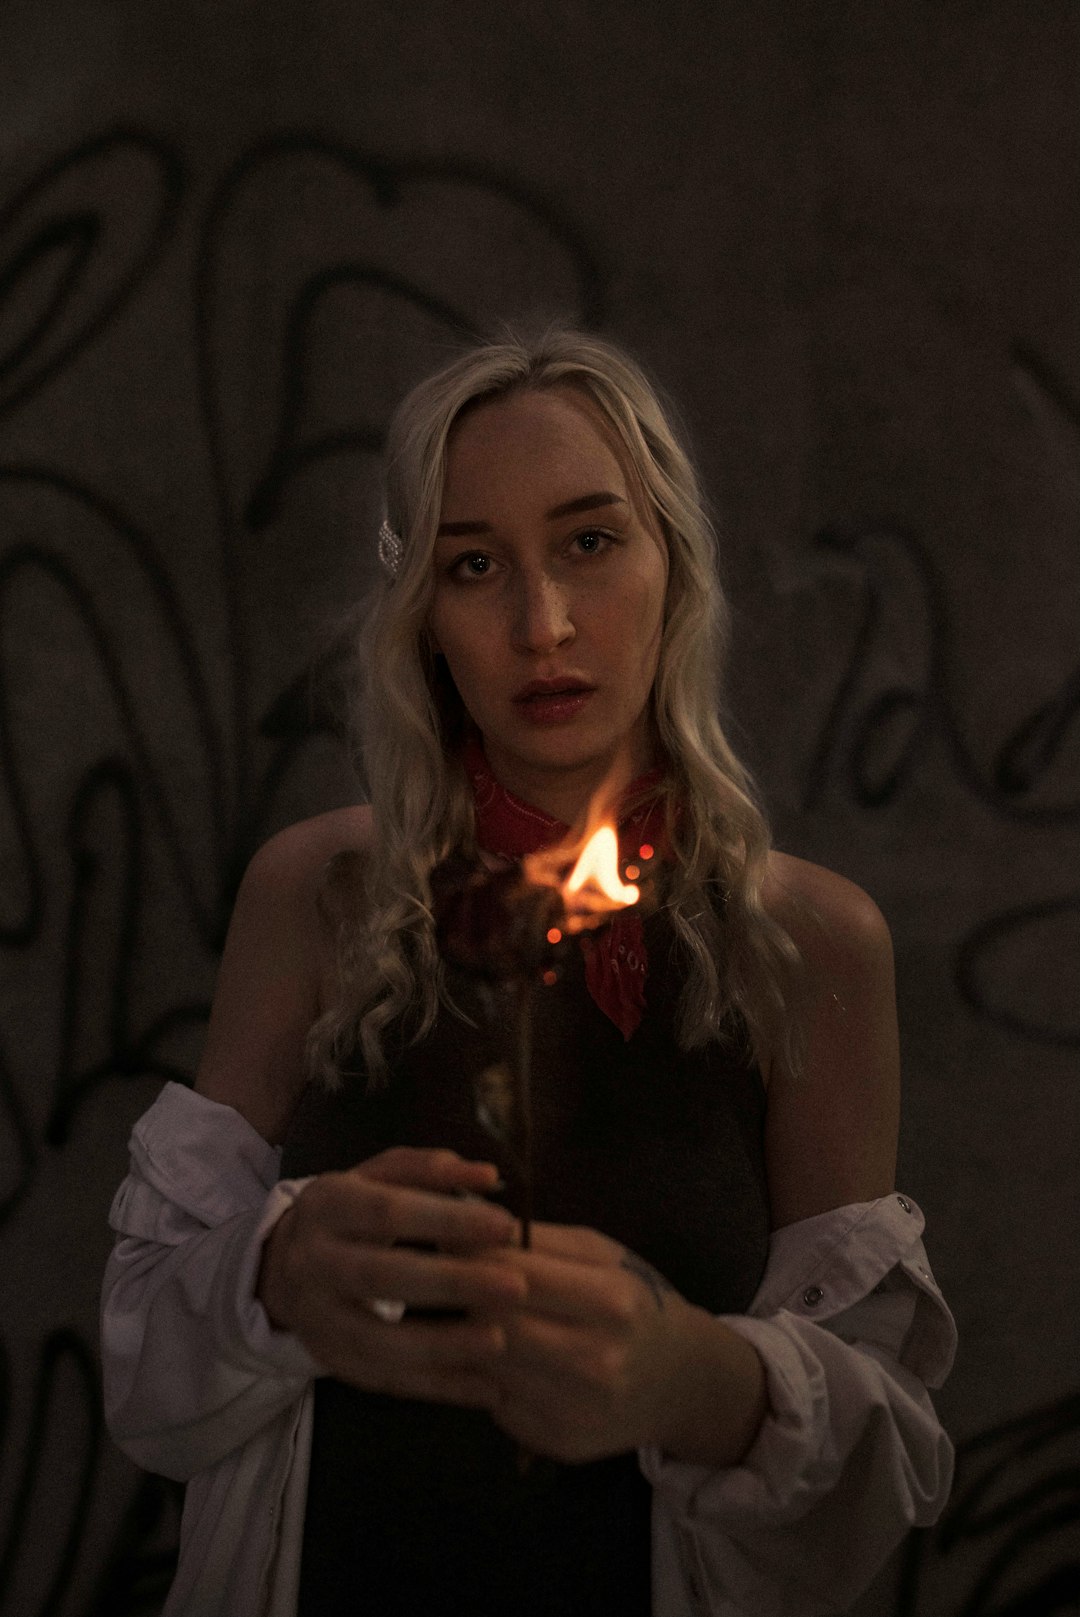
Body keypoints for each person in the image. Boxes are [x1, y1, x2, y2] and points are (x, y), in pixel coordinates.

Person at [101, 327, 957, 1617]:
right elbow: (142, 1376)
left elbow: (875, 1481)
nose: (542, 623)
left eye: (592, 543)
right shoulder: (317, 899)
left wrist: (696, 1380)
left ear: (675, 567)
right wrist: (270, 1281)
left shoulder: (811, 948)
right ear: (423, 617)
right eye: (475, 565)